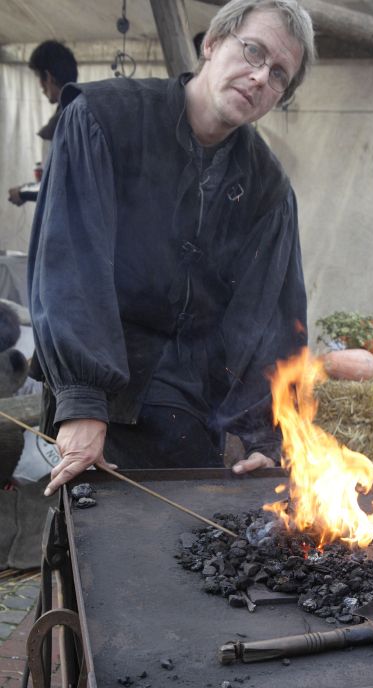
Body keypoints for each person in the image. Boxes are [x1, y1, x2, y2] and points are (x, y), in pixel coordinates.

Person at [28, 0, 315, 495]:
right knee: (93, 532)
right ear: (212, 44)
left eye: (278, 75)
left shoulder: (268, 188)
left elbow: (271, 316)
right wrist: (82, 401)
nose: (259, 77)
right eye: (253, 51)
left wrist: (265, 433)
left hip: (189, 415)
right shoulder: (103, 119)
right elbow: (70, 266)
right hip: (100, 405)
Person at [8, 41, 78, 206]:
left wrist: (23, 192)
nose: (40, 87)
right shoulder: (83, 109)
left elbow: (55, 187)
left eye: (39, 78)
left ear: (48, 77)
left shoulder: (62, 121)